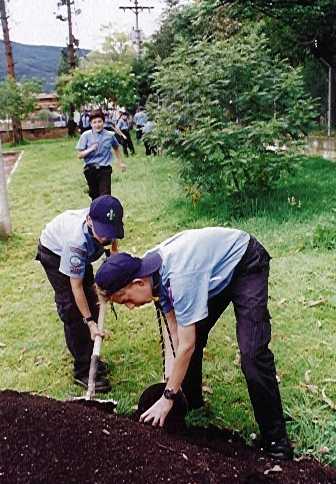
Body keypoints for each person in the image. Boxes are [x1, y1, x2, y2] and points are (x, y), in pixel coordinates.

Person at [95, 227, 293, 460]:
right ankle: (191, 402)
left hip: (245, 262)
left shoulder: (180, 278)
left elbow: (186, 345)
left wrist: (167, 399)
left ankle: (276, 441)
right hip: (211, 272)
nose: (129, 306)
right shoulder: (153, 273)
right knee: (190, 336)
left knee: (252, 354)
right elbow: (174, 334)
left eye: (125, 299)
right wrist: (170, 382)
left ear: (138, 283)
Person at [36, 195, 124, 392]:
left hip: (79, 253)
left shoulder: (107, 221)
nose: (105, 238)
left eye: (109, 233)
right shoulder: (75, 242)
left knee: (92, 300)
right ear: (89, 221)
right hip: (54, 253)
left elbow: (113, 248)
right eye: (102, 233)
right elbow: (76, 286)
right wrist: (90, 322)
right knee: (73, 310)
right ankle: (83, 370)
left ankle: (89, 354)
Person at [76, 109, 127, 201]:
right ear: (91, 124)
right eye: (94, 122)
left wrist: (120, 162)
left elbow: (116, 148)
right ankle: (95, 214)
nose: (97, 124)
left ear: (103, 122)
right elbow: (79, 155)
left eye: (99, 121)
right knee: (95, 197)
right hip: (90, 170)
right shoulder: (85, 136)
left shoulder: (110, 135)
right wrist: (90, 149)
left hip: (104, 170)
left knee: (105, 196)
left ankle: (105, 214)